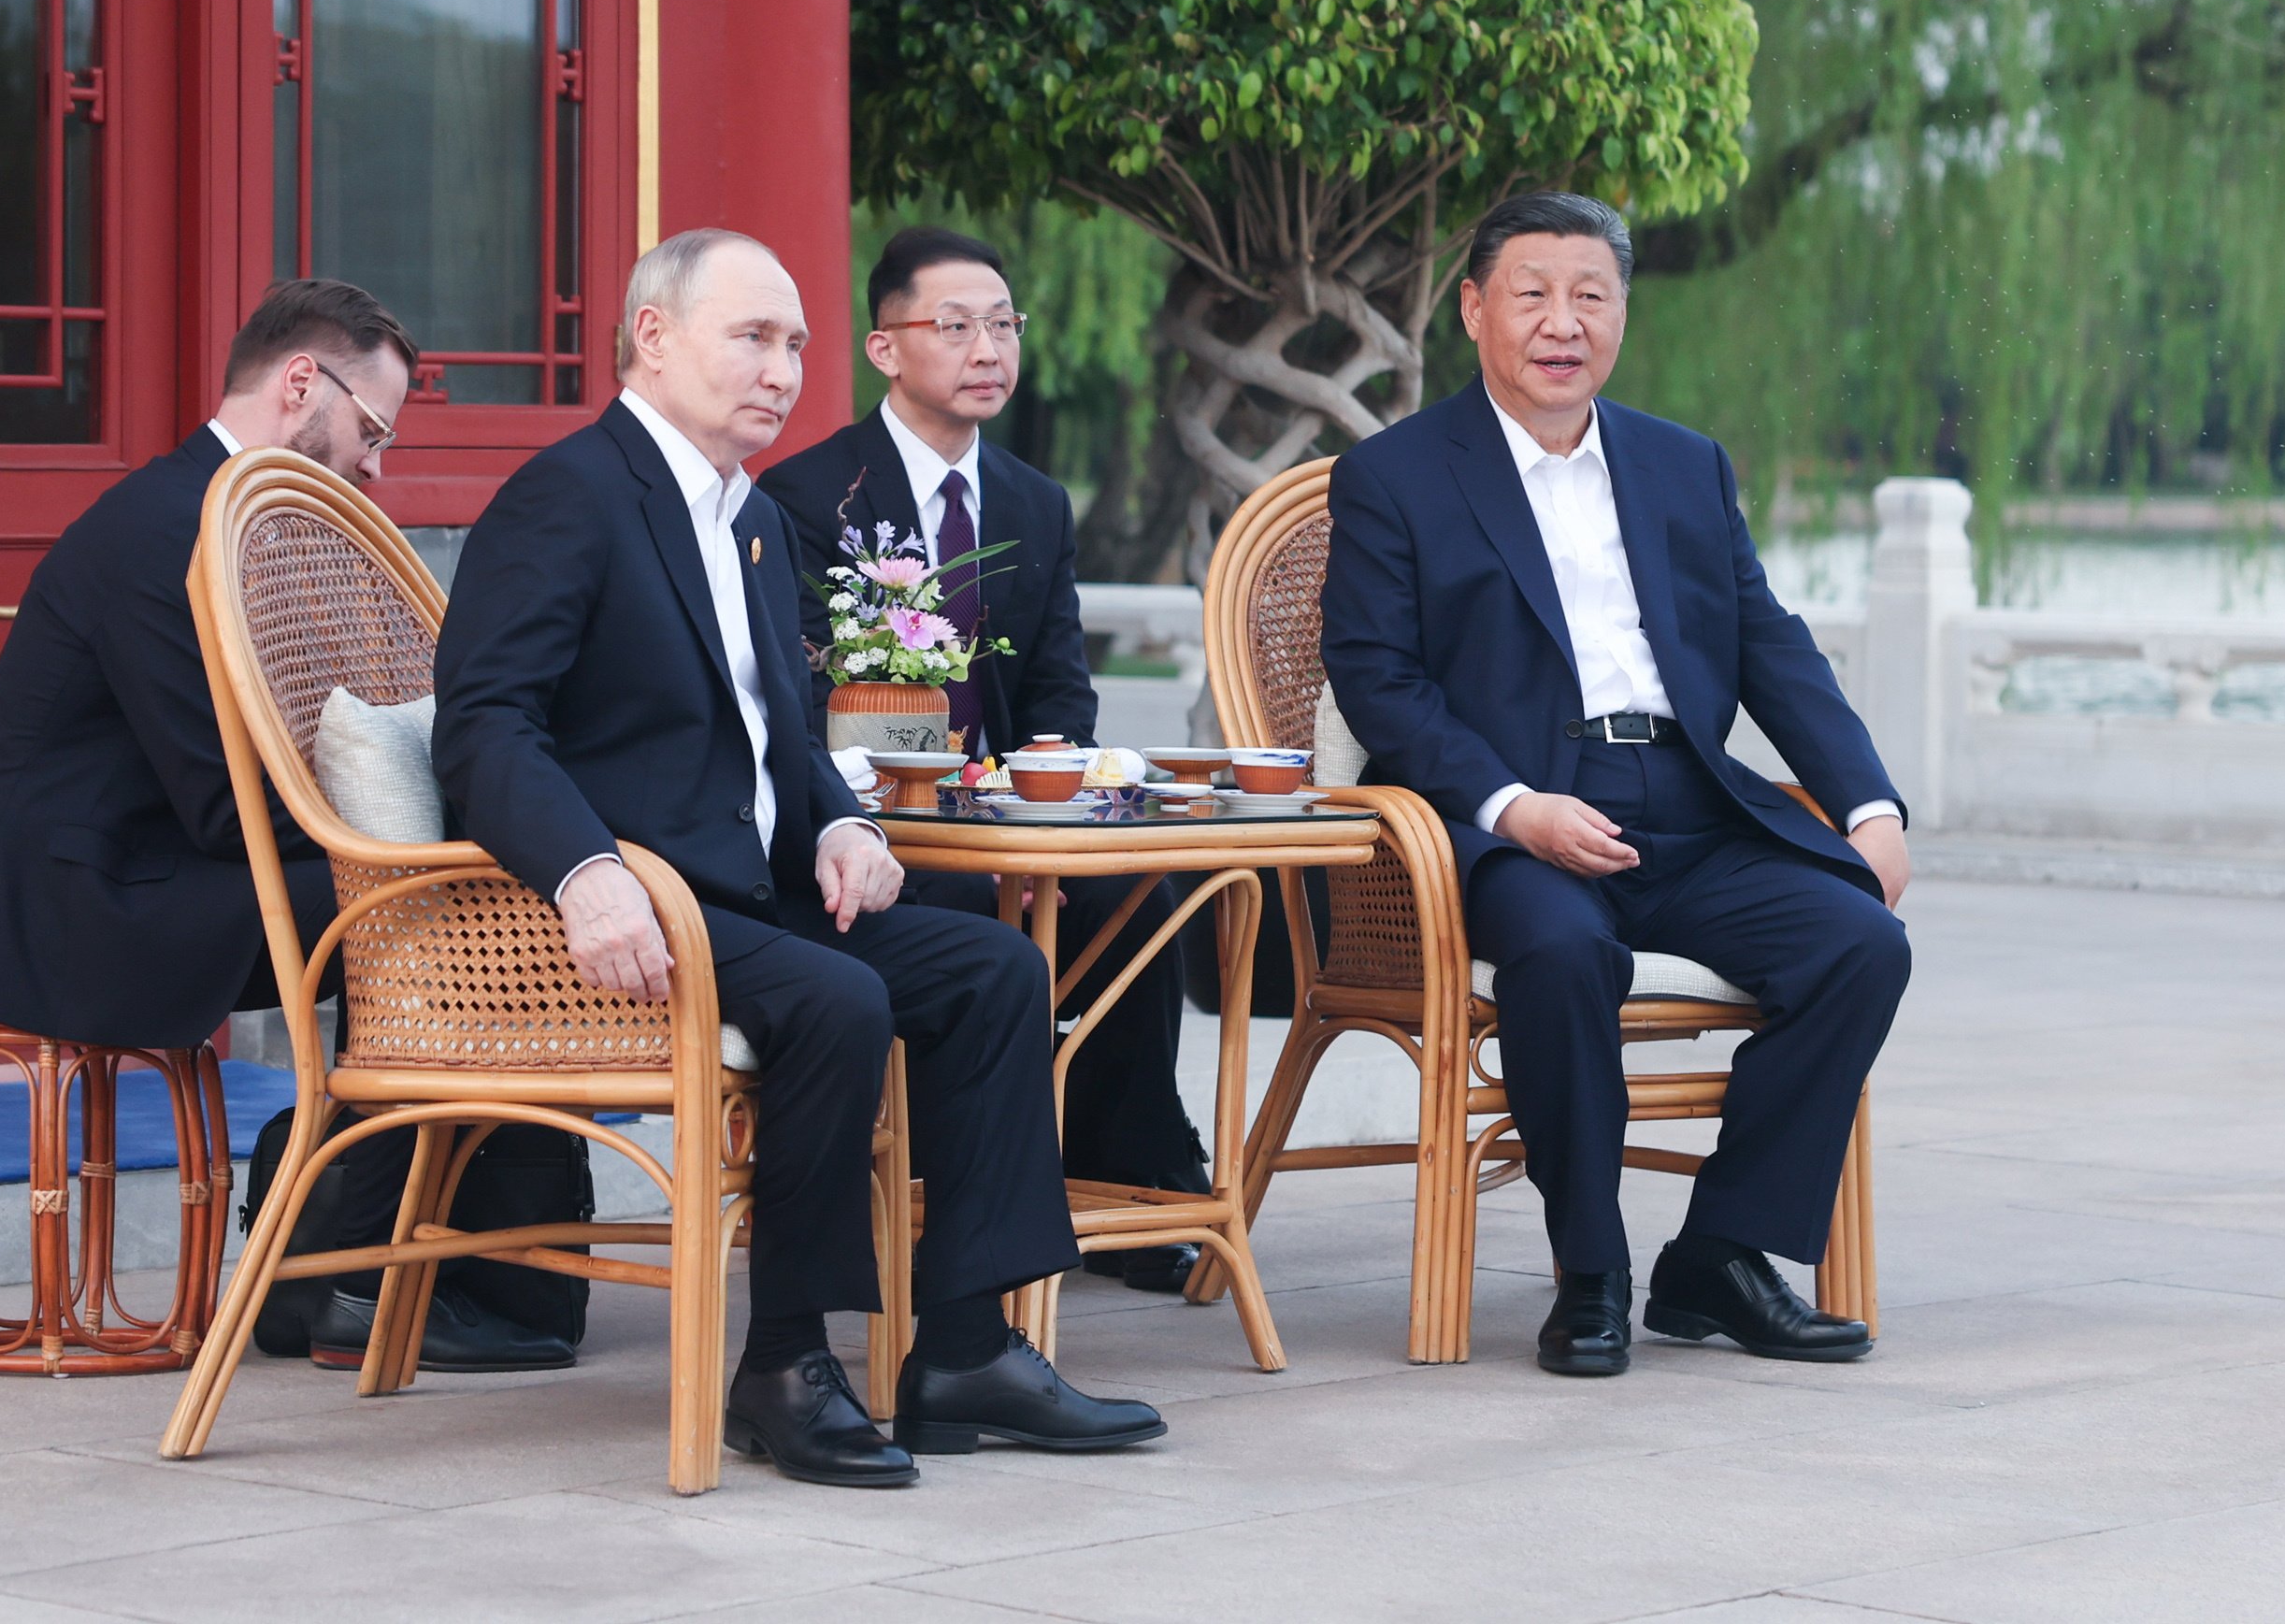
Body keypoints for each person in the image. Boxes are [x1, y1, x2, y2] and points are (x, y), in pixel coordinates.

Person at [432, 227, 1167, 1488]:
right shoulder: (572, 495)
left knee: (991, 970)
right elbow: (486, 727)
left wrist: (845, 824)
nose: (781, 371)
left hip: (759, 888)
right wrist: (582, 873)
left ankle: (966, 1349)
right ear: (654, 339)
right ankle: (783, 1364)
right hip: (644, 902)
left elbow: (790, 736)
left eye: (796, 347)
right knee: (841, 998)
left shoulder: (756, 522)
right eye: (752, 339)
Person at [0, 280, 568, 1372]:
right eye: (373, 428)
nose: (377, 463)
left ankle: (362, 1243)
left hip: (162, 862)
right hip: (81, 902)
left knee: (472, 896)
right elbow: (227, 806)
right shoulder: (169, 525)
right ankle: (337, 1267)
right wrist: (406, 847)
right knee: (443, 915)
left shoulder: (241, 514)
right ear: (300, 383)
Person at [1321, 192, 1913, 1378]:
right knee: (1560, 954)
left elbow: (1766, 642)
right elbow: (1376, 679)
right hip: (1511, 814)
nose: (1562, 321)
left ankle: (1722, 1255)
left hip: (1684, 804)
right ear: (1474, 307)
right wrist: (1509, 806)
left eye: (1589, 294)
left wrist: (1866, 802)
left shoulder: (1681, 464)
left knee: (1858, 943)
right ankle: (1590, 1269)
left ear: (1621, 314)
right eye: (1532, 292)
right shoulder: (1395, 475)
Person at [759, 226, 1212, 1292]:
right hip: (875, 821)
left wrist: (1046, 775)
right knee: (967, 919)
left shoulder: (1033, 501)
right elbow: (812, 689)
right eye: (953, 325)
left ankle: (1132, 1180)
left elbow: (1059, 683)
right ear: (884, 347)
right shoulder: (807, 495)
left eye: (1002, 325)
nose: (986, 348)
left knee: (1140, 900)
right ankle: (951, 1197)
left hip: (1008, 810)